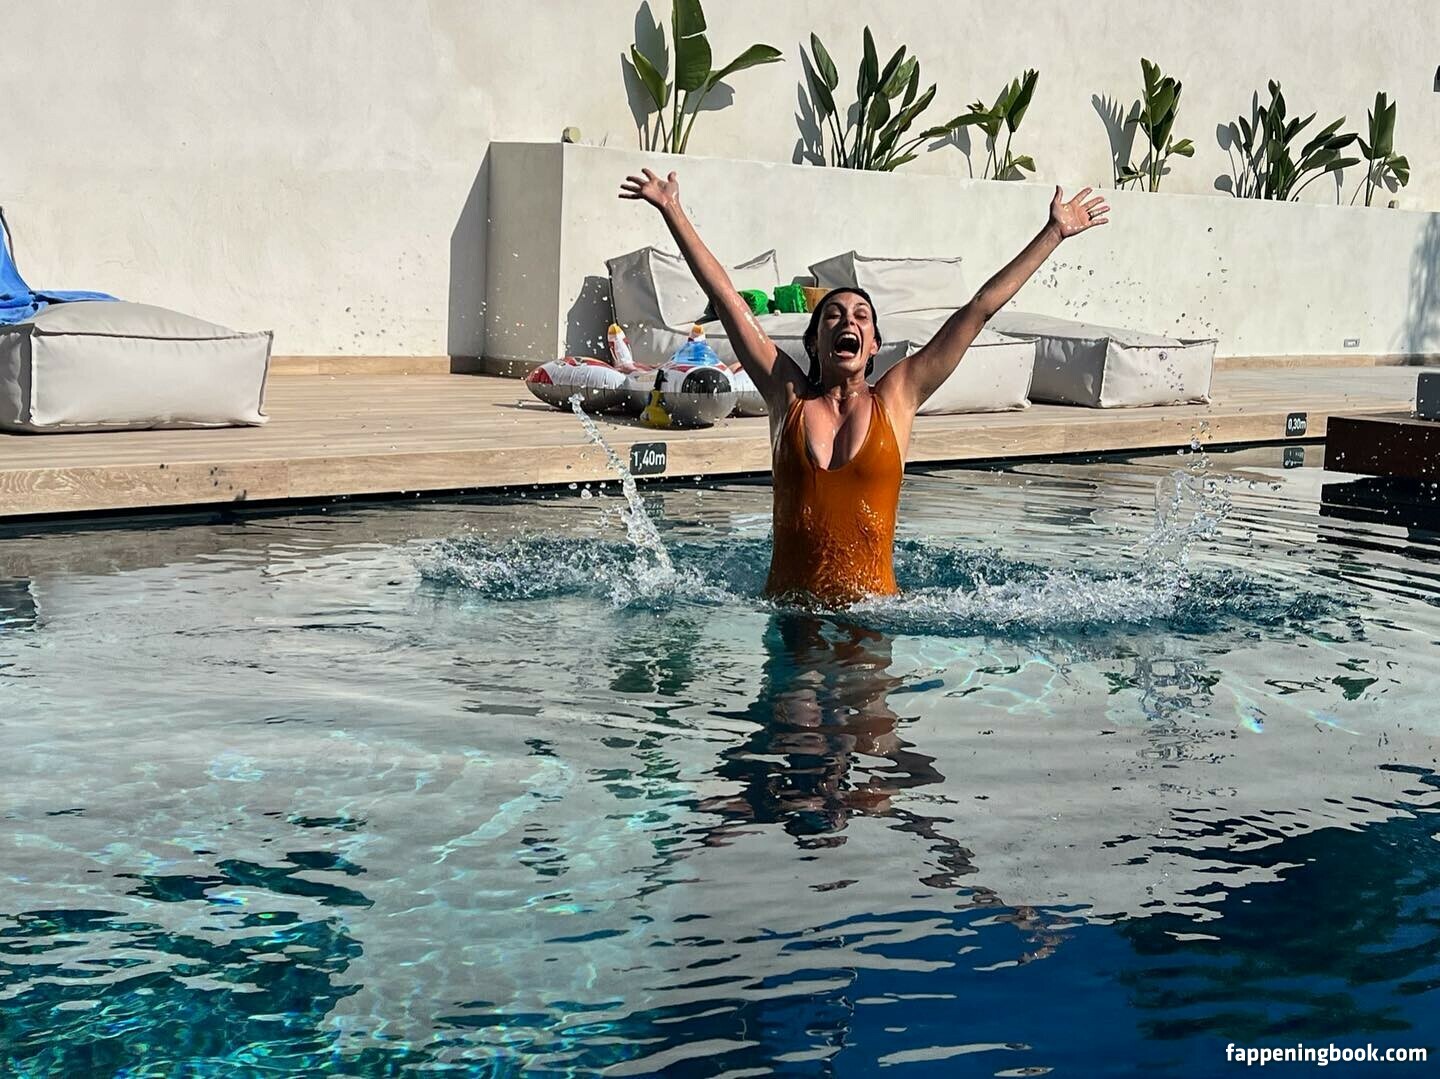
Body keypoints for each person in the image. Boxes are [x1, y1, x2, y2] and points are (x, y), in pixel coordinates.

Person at [620, 169, 1109, 605]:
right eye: (832, 316)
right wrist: (672, 210)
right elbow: (727, 300)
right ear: (814, 341)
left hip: (873, 623)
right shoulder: (787, 396)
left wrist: (1053, 233)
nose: (847, 322)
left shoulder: (898, 397)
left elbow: (978, 309)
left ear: (873, 344)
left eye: (860, 316)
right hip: (791, 623)